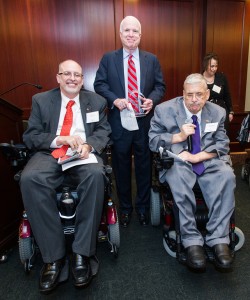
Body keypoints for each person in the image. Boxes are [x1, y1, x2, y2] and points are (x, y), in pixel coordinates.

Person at [19, 59, 111, 294]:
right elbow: (32, 136)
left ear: (82, 80)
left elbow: (103, 131)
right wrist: (59, 139)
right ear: (58, 77)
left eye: (77, 75)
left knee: (96, 175)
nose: (72, 78)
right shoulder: (41, 100)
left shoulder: (97, 101)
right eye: (67, 74)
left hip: (82, 154)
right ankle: (54, 257)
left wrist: (89, 145)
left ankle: (82, 253)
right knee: (30, 178)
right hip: (50, 153)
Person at [149, 73, 235, 272]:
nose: (194, 100)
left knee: (227, 175)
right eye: (189, 95)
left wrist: (199, 157)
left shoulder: (218, 112)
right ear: (183, 94)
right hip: (178, 161)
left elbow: (222, 143)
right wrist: (178, 136)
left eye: (199, 94)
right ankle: (191, 240)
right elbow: (153, 140)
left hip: (206, 159)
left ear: (206, 94)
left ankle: (218, 238)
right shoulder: (164, 110)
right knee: (179, 177)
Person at [94, 16, 166, 227]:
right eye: (127, 30)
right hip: (120, 123)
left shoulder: (151, 59)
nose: (131, 34)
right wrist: (114, 100)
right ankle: (125, 208)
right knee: (121, 167)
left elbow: (160, 87)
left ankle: (143, 208)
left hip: (144, 123)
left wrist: (151, 100)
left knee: (144, 166)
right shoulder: (108, 59)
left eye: (135, 31)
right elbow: (99, 84)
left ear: (140, 35)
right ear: (120, 34)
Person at [202, 52, 234, 130]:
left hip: (221, 111)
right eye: (212, 66)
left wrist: (230, 112)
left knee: (221, 134)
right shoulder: (199, 78)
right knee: (208, 136)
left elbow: (227, 95)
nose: (214, 69)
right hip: (205, 113)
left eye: (216, 66)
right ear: (206, 65)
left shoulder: (221, 77)